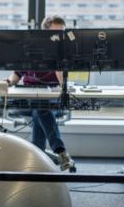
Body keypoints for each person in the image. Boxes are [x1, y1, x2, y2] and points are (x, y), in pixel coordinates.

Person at [6, 15, 75, 171]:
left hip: (52, 101)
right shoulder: (30, 50)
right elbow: (17, 74)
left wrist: (59, 61)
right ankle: (60, 151)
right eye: (56, 32)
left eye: (62, 33)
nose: (59, 37)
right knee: (39, 106)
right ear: (44, 33)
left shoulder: (64, 53)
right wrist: (7, 82)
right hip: (27, 99)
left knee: (41, 108)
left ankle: (37, 162)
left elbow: (63, 83)